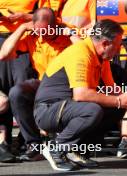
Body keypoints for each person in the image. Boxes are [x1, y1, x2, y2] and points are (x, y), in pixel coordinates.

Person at [33, 19, 127, 171]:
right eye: (117, 46)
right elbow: (81, 95)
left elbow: (112, 89)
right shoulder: (81, 52)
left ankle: (75, 150)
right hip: (48, 111)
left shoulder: (101, 57)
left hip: (68, 108)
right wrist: (119, 100)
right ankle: (56, 148)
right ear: (105, 43)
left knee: (115, 108)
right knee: (92, 110)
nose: (118, 50)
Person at [0, 7, 75, 161]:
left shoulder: (68, 32)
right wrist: (21, 28)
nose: (42, 34)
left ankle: (68, 146)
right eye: (38, 30)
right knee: (17, 93)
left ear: (55, 25)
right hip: (43, 84)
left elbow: (87, 49)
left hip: (68, 84)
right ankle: (34, 145)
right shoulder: (33, 36)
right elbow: (4, 54)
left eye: (46, 31)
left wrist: (71, 34)